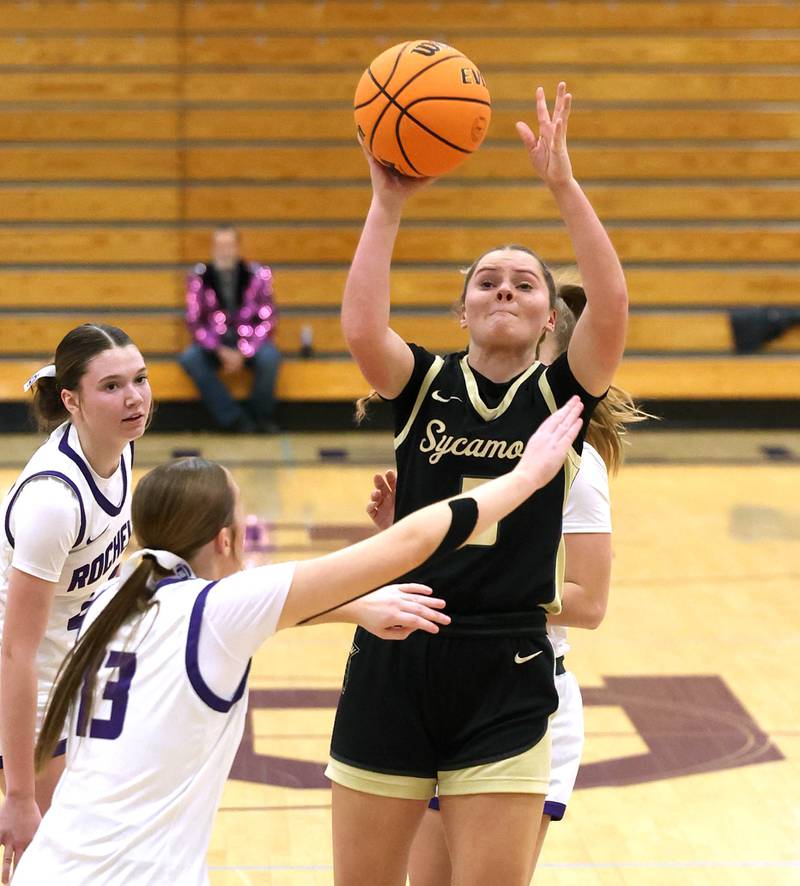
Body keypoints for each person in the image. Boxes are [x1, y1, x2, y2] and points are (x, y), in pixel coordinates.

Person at [10, 397, 585, 885]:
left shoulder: (114, 599)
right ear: (225, 539)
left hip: (52, 865)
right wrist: (525, 478)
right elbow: (407, 543)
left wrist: (355, 609)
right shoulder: (219, 611)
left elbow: (265, 616)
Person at [331, 82, 628, 886]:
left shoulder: (561, 397)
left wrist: (563, 186)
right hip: (401, 646)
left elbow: (613, 302)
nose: (504, 288)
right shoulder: (423, 382)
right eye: (487, 280)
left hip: (507, 659)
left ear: (546, 321)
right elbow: (361, 326)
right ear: (460, 311)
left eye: (524, 284)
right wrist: (386, 202)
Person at [365, 287, 649, 883]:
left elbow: (589, 603)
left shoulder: (580, 465)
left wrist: (472, 588)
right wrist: (408, 543)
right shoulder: (451, 430)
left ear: (549, 347)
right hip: (437, 680)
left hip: (525, 688)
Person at [0, 324, 151, 880]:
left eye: (139, 379)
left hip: (68, 678)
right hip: (23, 692)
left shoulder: (121, 446)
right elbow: (15, 651)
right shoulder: (53, 502)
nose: (134, 397)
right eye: (111, 386)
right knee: (45, 860)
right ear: (71, 400)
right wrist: (17, 795)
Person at [179, 225, 280, 433]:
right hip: (214, 344)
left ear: (237, 247)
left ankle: (258, 417)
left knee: (270, 358)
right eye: (220, 246)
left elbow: (268, 318)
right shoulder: (199, 277)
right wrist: (219, 350)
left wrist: (244, 350)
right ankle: (233, 419)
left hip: (251, 341)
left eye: (229, 245)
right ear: (213, 248)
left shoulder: (258, 275)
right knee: (190, 358)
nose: (224, 251)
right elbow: (194, 321)